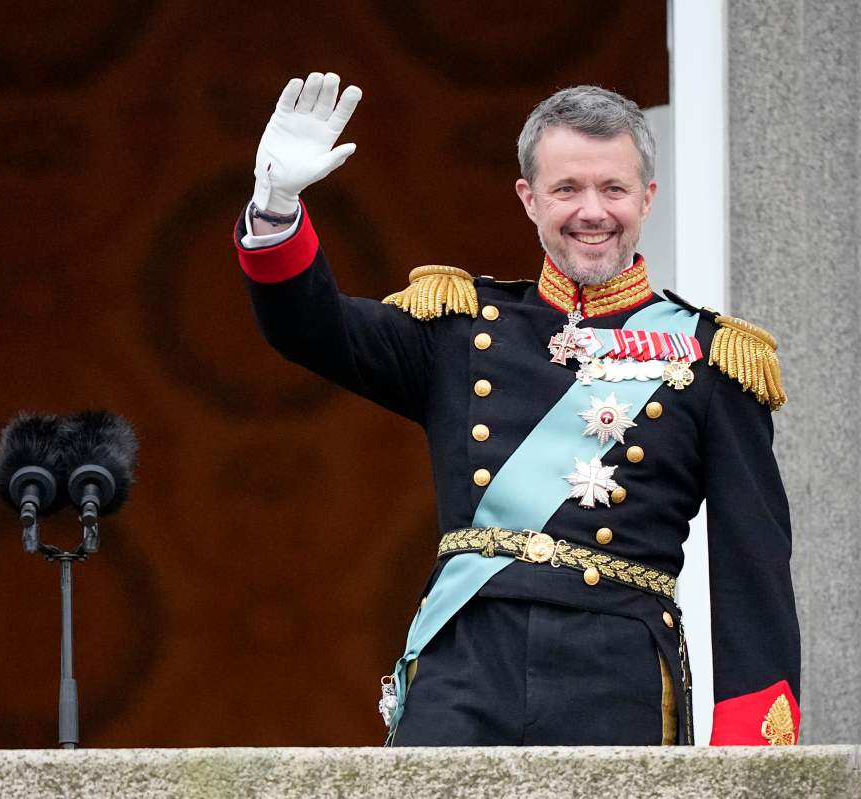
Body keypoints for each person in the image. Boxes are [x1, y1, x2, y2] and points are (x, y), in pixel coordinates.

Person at [236, 72, 800, 746]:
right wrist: (276, 207)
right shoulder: (459, 329)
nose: (592, 211)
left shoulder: (713, 360)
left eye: (613, 189)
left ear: (647, 197)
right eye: (566, 189)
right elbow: (312, 329)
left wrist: (751, 760)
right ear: (529, 199)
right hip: (466, 666)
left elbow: (752, 571)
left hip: (617, 674)